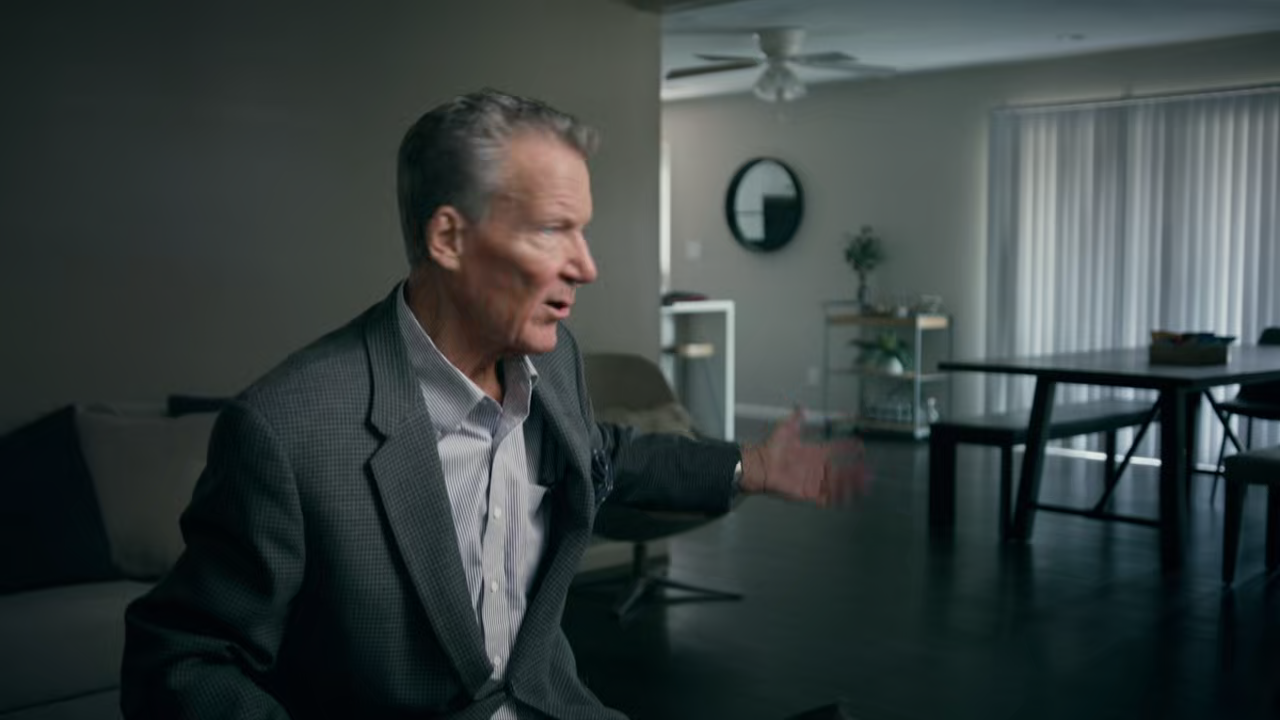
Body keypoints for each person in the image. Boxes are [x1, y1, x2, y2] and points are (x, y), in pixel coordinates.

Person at [121, 88, 869, 719]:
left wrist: (751, 465)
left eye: (583, 230)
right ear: (449, 237)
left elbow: (602, 455)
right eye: (553, 230)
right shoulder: (286, 430)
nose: (587, 265)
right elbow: (181, 662)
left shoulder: (554, 359)